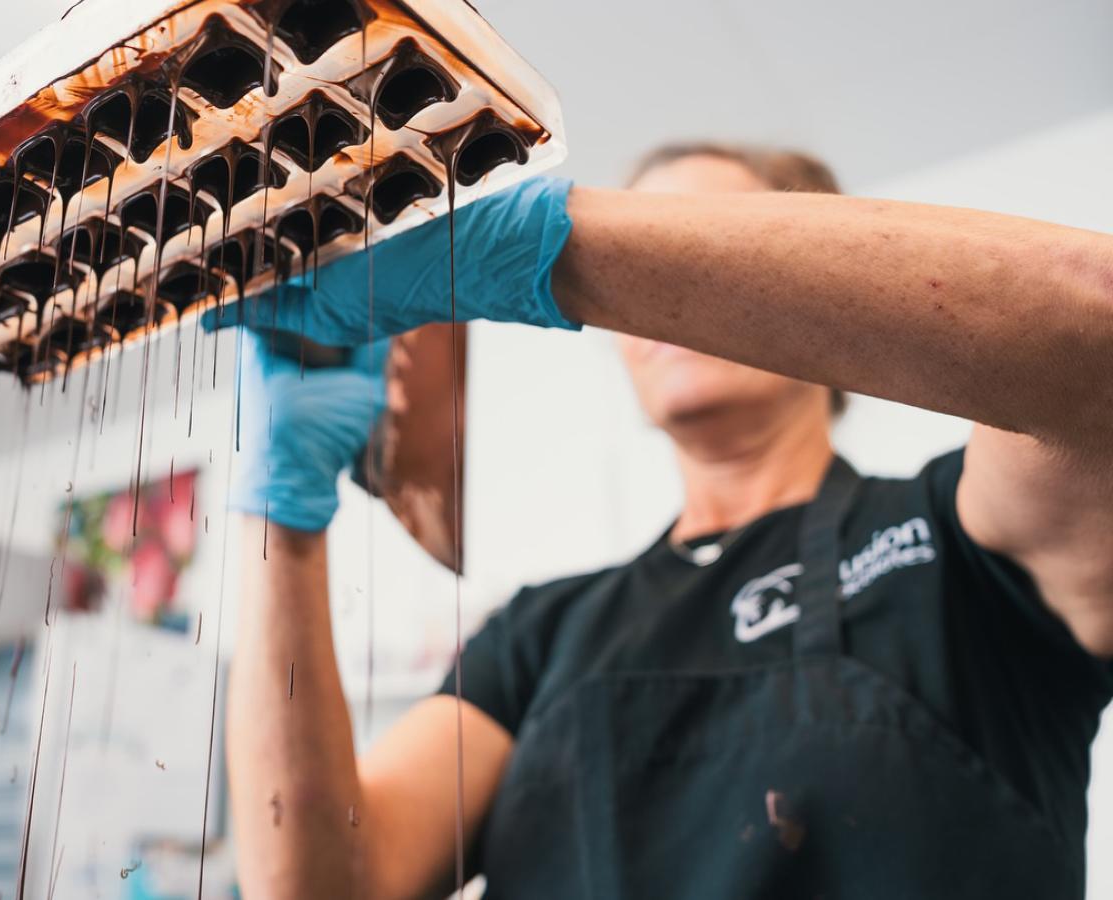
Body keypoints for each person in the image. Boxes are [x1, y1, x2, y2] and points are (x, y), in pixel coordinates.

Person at [214, 142, 1113, 899]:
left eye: (693, 250)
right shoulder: (539, 636)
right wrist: (283, 507)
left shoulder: (958, 545)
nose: (653, 295)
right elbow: (321, 885)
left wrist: (544, 246)